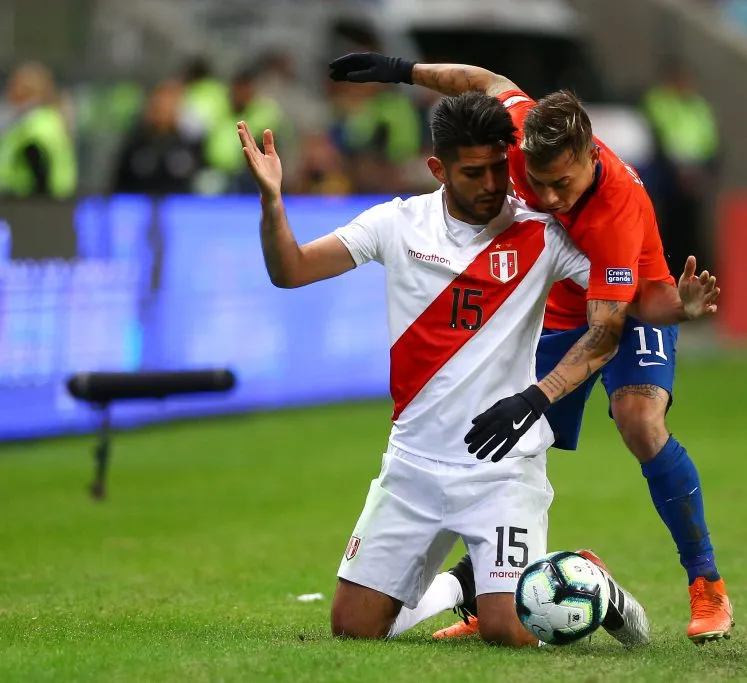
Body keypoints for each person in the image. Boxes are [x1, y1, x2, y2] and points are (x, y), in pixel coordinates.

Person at [237, 91, 672, 648]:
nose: (494, 184)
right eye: (474, 172)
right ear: (438, 169)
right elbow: (290, 270)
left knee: (511, 633)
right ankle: (465, 584)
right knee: (354, 629)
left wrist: (673, 305)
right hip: (412, 466)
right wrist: (273, 201)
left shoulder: (541, 233)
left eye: (499, 168)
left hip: (501, 472)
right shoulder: (395, 224)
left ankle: (590, 583)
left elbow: (615, 313)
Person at [328, 53, 733, 644]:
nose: (547, 198)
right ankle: (488, 588)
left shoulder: (615, 213)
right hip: (561, 301)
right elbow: (479, 81)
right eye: (536, 182)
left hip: (632, 301)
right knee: (497, 439)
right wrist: (400, 69)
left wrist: (542, 393)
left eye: (561, 185)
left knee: (638, 420)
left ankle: (706, 583)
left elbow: (609, 329)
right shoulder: (522, 129)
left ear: (593, 158)